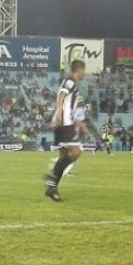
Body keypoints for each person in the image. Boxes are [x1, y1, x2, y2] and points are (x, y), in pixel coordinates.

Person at [44, 60, 87, 202]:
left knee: (64, 156)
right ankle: (51, 180)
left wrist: (79, 124)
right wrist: (60, 113)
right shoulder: (70, 81)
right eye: (84, 70)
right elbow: (61, 95)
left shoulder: (74, 84)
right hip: (64, 122)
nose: (85, 73)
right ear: (79, 70)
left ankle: (52, 188)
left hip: (65, 122)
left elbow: (72, 105)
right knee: (75, 152)